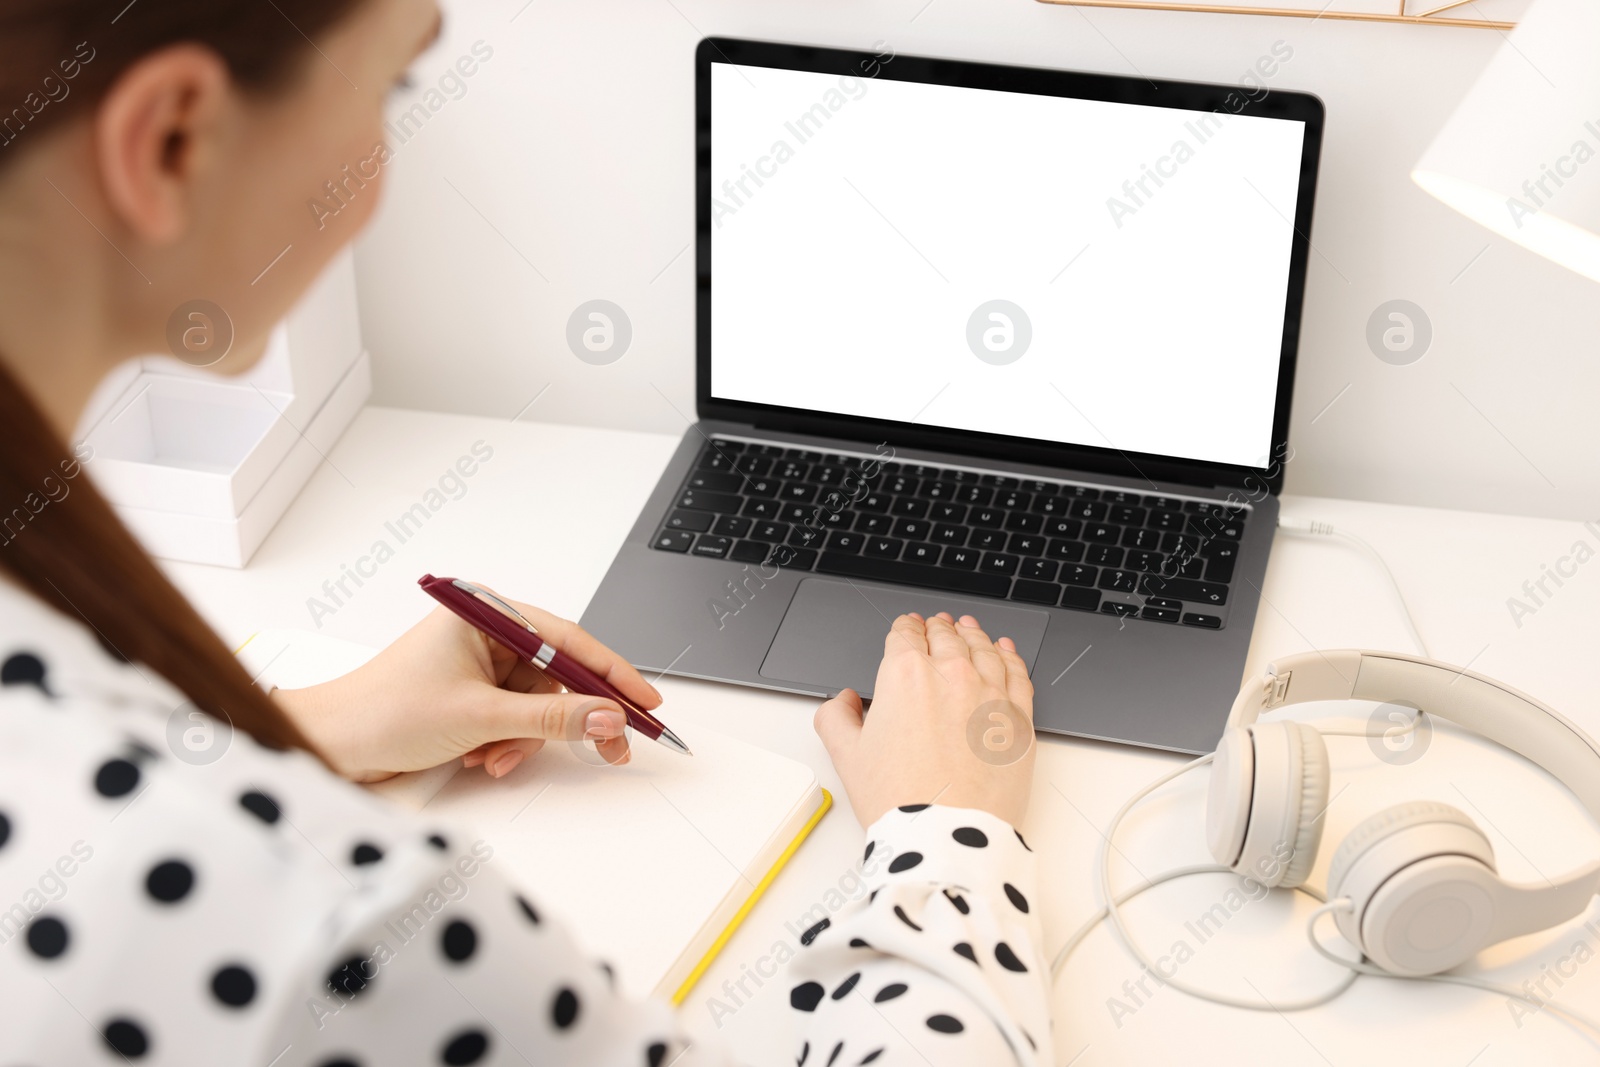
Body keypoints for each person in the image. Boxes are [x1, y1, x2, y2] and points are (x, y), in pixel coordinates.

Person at [0, 2, 1053, 1063]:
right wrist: (942, 831)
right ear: (173, 141)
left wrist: (301, 732)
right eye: (392, 86)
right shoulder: (339, 929)